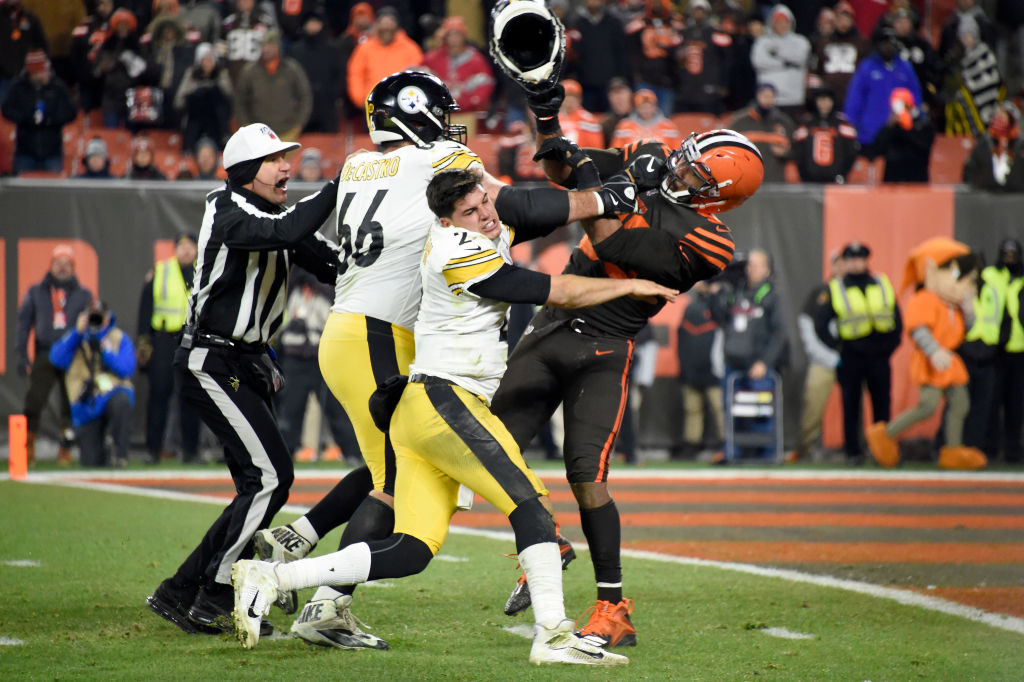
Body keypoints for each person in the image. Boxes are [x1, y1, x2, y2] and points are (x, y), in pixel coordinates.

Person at [231, 167, 673, 664]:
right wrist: (629, 283)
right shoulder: (457, 249)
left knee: (413, 549)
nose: (486, 214)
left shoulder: (477, 230)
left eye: (485, 202)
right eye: (471, 211)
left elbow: (527, 218)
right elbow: (561, 292)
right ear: (446, 222)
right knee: (529, 503)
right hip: (447, 402)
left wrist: (588, 187)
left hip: (424, 409)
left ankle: (271, 578)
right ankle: (553, 634)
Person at [250, 71, 617, 650]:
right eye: (439, 115)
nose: (449, 127)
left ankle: (300, 551)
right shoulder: (436, 160)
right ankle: (315, 593)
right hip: (377, 333)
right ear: (416, 114)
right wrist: (599, 198)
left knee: (390, 481)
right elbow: (511, 203)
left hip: (359, 331)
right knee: (392, 485)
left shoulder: (357, 164)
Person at [489, 66, 763, 644]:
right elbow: (563, 168)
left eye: (693, 170)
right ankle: (546, 538)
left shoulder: (711, 241)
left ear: (718, 194)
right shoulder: (651, 157)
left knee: (587, 475)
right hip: (551, 328)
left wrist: (609, 181)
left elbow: (610, 233)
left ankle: (613, 608)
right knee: (489, 449)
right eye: (684, 157)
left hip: (604, 349)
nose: (678, 168)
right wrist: (545, 113)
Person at [145, 122, 341, 638]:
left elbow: (333, 264)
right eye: (275, 159)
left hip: (247, 362)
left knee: (258, 485)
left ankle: (181, 590)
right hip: (210, 359)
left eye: (286, 158)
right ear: (246, 170)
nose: (286, 167)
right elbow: (280, 232)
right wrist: (343, 186)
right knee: (272, 477)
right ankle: (216, 594)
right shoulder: (226, 207)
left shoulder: (278, 214)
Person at [866, 238, 986, 470]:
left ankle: (953, 449)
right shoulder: (924, 299)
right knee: (928, 405)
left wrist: (970, 312)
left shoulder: (954, 306)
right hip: (933, 359)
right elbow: (919, 330)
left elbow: (965, 332)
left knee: (960, 402)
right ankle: (885, 435)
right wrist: (933, 352)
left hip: (951, 360)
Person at [814, 242, 902, 464]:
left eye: (859, 259)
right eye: (850, 259)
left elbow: (896, 319)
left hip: (880, 355)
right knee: (851, 406)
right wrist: (839, 347)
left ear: (866, 260)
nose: (855, 263)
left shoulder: (881, 283)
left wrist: (890, 346)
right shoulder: (836, 287)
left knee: (882, 406)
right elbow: (820, 324)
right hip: (852, 355)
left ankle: (882, 451)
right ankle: (853, 452)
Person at [15, 245, 93, 466]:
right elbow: (23, 324)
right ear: (50, 266)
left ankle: (65, 449)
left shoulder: (83, 294)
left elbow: (90, 328)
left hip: (72, 354)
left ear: (73, 267)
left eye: (66, 264)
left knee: (69, 405)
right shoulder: (36, 291)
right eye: (58, 263)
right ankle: (27, 448)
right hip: (45, 352)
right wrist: (21, 353)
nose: (62, 268)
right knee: (34, 401)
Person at [709, 248, 787, 461]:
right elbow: (721, 319)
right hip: (734, 363)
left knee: (762, 411)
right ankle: (734, 452)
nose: (749, 269)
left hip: (758, 365)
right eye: (748, 265)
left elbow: (779, 334)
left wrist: (765, 362)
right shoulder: (736, 291)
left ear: (766, 269)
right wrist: (716, 295)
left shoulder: (771, 296)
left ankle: (767, 454)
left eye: (755, 265)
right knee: (732, 411)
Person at [136, 233, 200, 465]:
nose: (186, 251)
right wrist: (144, 341)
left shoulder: (203, 272)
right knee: (158, 396)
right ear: (175, 249)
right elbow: (146, 307)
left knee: (192, 397)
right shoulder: (160, 272)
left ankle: (191, 452)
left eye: (190, 246)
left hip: (192, 340)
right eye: (182, 246)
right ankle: (153, 450)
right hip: (164, 339)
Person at [48, 300, 135, 467]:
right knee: (91, 462)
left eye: (99, 316)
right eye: (92, 315)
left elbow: (127, 369)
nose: (95, 319)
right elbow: (56, 359)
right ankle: (101, 449)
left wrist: (104, 351)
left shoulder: (118, 337)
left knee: (122, 401)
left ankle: (120, 453)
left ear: (108, 317)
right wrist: (77, 333)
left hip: (112, 393)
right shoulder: (76, 337)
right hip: (87, 402)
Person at [791, 252, 845, 462]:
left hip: (853, 358)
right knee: (813, 403)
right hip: (824, 359)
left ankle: (854, 447)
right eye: (838, 264)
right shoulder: (822, 293)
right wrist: (827, 356)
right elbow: (806, 326)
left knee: (855, 405)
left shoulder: (859, 291)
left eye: (845, 263)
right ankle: (806, 447)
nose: (842, 268)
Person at [844, 28, 922, 156]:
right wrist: (850, 125)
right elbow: (855, 98)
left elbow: (915, 95)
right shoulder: (867, 67)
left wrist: (916, 117)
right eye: (884, 43)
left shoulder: (905, 67)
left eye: (890, 43)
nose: (887, 47)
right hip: (870, 132)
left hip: (900, 133)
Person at [1, 50, 77, 175]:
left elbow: (71, 112)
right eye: (43, 71)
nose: (47, 73)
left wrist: (51, 120)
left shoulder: (58, 87)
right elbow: (7, 110)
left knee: (53, 191)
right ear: (33, 73)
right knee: (22, 192)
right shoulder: (18, 87)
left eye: (47, 69)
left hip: (52, 152)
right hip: (25, 152)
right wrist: (26, 118)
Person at [234, 30, 312, 141]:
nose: (266, 49)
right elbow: (240, 101)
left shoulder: (291, 69)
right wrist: (245, 125)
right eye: (263, 45)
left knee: (285, 159)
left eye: (270, 45)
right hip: (259, 135)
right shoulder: (249, 71)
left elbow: (305, 96)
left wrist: (298, 124)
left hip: (287, 132)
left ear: (278, 46)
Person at [676, 280, 724, 459]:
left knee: (720, 408)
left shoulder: (720, 303)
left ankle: (726, 442)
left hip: (713, 369)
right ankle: (691, 444)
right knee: (692, 409)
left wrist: (716, 293)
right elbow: (682, 338)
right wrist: (684, 366)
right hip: (692, 367)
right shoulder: (691, 307)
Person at [345, 7, 423, 113]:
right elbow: (355, 74)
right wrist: (360, 99)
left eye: (390, 22)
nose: (386, 26)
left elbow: (419, 77)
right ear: (376, 25)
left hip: (403, 108)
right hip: (373, 106)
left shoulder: (410, 48)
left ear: (397, 25)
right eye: (383, 22)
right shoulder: (364, 48)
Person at [989, 239, 1024, 463]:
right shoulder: (990, 275)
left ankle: (1012, 450)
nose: (1009, 259)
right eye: (1006, 255)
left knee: (1016, 404)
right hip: (995, 349)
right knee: (992, 402)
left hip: (1019, 350)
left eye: (1013, 255)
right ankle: (991, 448)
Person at [564, 0, 629, 113]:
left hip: (610, 83)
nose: (593, 2)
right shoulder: (577, 24)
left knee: (610, 117)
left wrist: (620, 76)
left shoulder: (613, 23)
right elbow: (573, 55)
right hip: (585, 83)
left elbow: (621, 53)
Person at [421, 16, 495, 113]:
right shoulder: (432, 58)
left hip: (468, 113)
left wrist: (472, 101)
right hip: (439, 113)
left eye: (457, 34)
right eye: (450, 34)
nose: (454, 38)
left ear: (464, 36)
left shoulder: (476, 59)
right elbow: (420, 79)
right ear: (445, 37)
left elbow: (486, 83)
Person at [750, 4, 810, 120]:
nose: (782, 25)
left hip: (794, 99)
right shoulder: (763, 41)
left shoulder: (800, 41)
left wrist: (776, 52)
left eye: (785, 21)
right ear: (772, 23)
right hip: (769, 100)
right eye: (778, 21)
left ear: (790, 23)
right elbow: (759, 62)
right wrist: (785, 63)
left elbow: (800, 58)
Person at [287, 11, 342, 134]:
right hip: (303, 105)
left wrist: (333, 94)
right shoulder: (296, 50)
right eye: (309, 24)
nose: (312, 27)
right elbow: (290, 77)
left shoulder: (332, 49)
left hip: (327, 105)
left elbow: (340, 75)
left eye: (315, 23)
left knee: (330, 143)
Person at [792, 86, 859, 184]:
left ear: (832, 102)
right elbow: (798, 152)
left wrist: (842, 174)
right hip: (810, 181)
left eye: (827, 100)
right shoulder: (806, 124)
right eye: (820, 100)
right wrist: (804, 175)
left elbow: (851, 152)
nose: (823, 104)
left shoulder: (842, 124)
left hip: (835, 180)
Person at [730, 82, 795, 183]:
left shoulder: (784, 121)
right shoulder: (740, 121)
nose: (768, 100)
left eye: (771, 96)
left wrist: (786, 153)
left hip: (775, 179)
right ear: (757, 96)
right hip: (746, 179)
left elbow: (796, 151)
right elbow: (728, 148)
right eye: (765, 96)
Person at [174, 42, 233, 151]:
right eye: (204, 60)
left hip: (216, 124)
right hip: (195, 121)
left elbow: (229, 96)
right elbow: (179, 101)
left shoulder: (221, 74)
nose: (207, 63)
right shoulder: (191, 75)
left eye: (210, 60)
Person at [810, 1, 867, 110]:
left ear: (852, 20)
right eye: (839, 18)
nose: (843, 22)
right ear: (834, 21)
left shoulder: (862, 43)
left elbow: (865, 71)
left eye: (846, 18)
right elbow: (817, 71)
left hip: (853, 96)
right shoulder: (823, 43)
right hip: (828, 99)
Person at [876, 86, 934, 183]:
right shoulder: (892, 125)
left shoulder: (922, 124)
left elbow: (924, 147)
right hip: (893, 181)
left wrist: (907, 128)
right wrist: (889, 127)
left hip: (916, 179)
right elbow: (879, 149)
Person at [962, 101, 1024, 191]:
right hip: (989, 196)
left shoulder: (1021, 145)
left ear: (1011, 120)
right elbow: (970, 168)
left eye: (1002, 117)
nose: (998, 121)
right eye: (996, 117)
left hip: (1017, 196)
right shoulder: (984, 143)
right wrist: (972, 191)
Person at [220, 0, 275, 84]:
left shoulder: (265, 22)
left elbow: (273, 47)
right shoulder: (229, 23)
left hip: (258, 71)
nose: (244, 2)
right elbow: (221, 46)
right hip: (233, 70)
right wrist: (223, 66)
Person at [610, 88, 683, 148]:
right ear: (636, 108)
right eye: (642, 107)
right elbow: (616, 150)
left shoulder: (669, 126)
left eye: (649, 106)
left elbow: (677, 151)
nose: (646, 110)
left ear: (655, 107)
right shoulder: (624, 126)